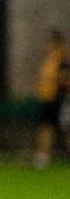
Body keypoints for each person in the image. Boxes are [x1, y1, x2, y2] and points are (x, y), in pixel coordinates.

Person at [33, 29, 70, 170]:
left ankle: (42, 158)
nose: (46, 45)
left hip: (58, 101)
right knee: (46, 128)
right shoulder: (51, 60)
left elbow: (65, 81)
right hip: (49, 100)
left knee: (63, 130)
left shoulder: (62, 61)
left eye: (49, 42)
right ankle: (42, 158)